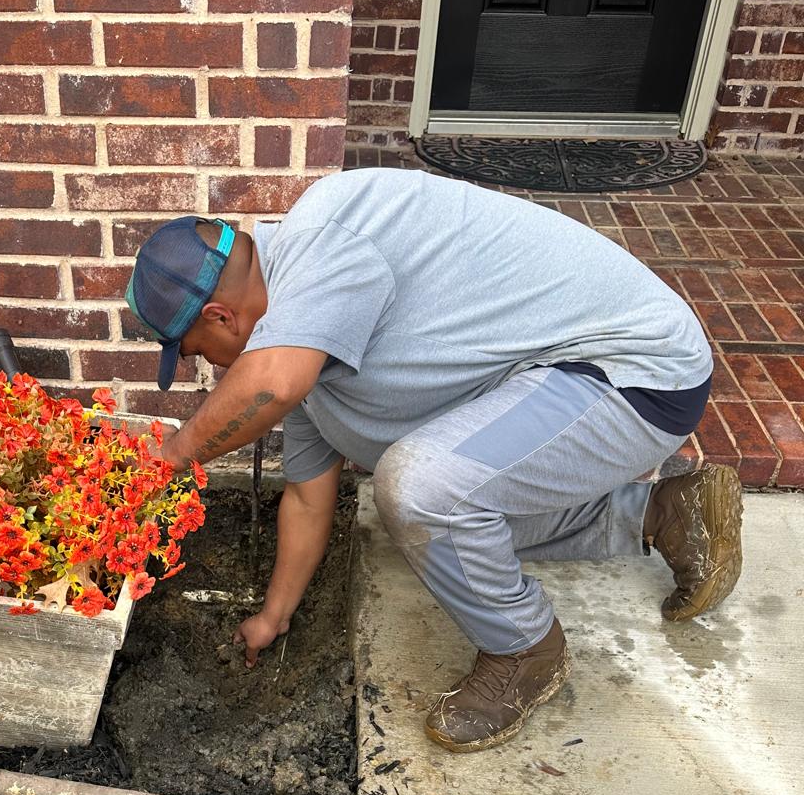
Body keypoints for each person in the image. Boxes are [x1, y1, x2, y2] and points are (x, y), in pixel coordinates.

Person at [124, 168, 741, 752]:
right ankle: (662, 514)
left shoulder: (327, 232)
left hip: (633, 371)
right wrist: (274, 616)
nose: (208, 366)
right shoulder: (311, 361)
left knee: (422, 492)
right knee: (446, 537)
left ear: (221, 317)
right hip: (551, 385)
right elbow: (308, 499)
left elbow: (271, 384)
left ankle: (525, 650)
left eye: (196, 352)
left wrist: (170, 457)